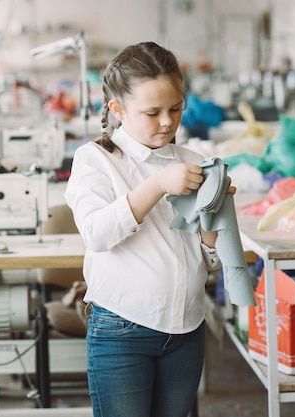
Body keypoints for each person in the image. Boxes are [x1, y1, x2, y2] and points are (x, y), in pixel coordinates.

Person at [64, 41, 235, 417]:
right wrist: (157, 185)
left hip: (187, 329)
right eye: (152, 112)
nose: (167, 122)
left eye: (175, 109)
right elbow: (97, 234)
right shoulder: (96, 160)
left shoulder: (192, 161)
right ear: (118, 110)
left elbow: (210, 262)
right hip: (121, 331)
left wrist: (212, 217)